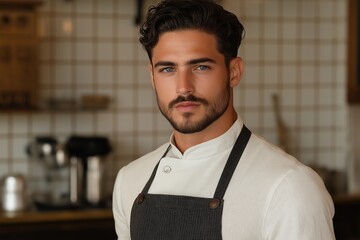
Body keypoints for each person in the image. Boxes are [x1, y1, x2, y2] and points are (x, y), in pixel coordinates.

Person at [112, 0, 335, 239]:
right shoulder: (130, 180)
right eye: (168, 69)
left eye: (201, 67)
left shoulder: (289, 187)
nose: (183, 87)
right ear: (152, 76)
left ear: (234, 72)